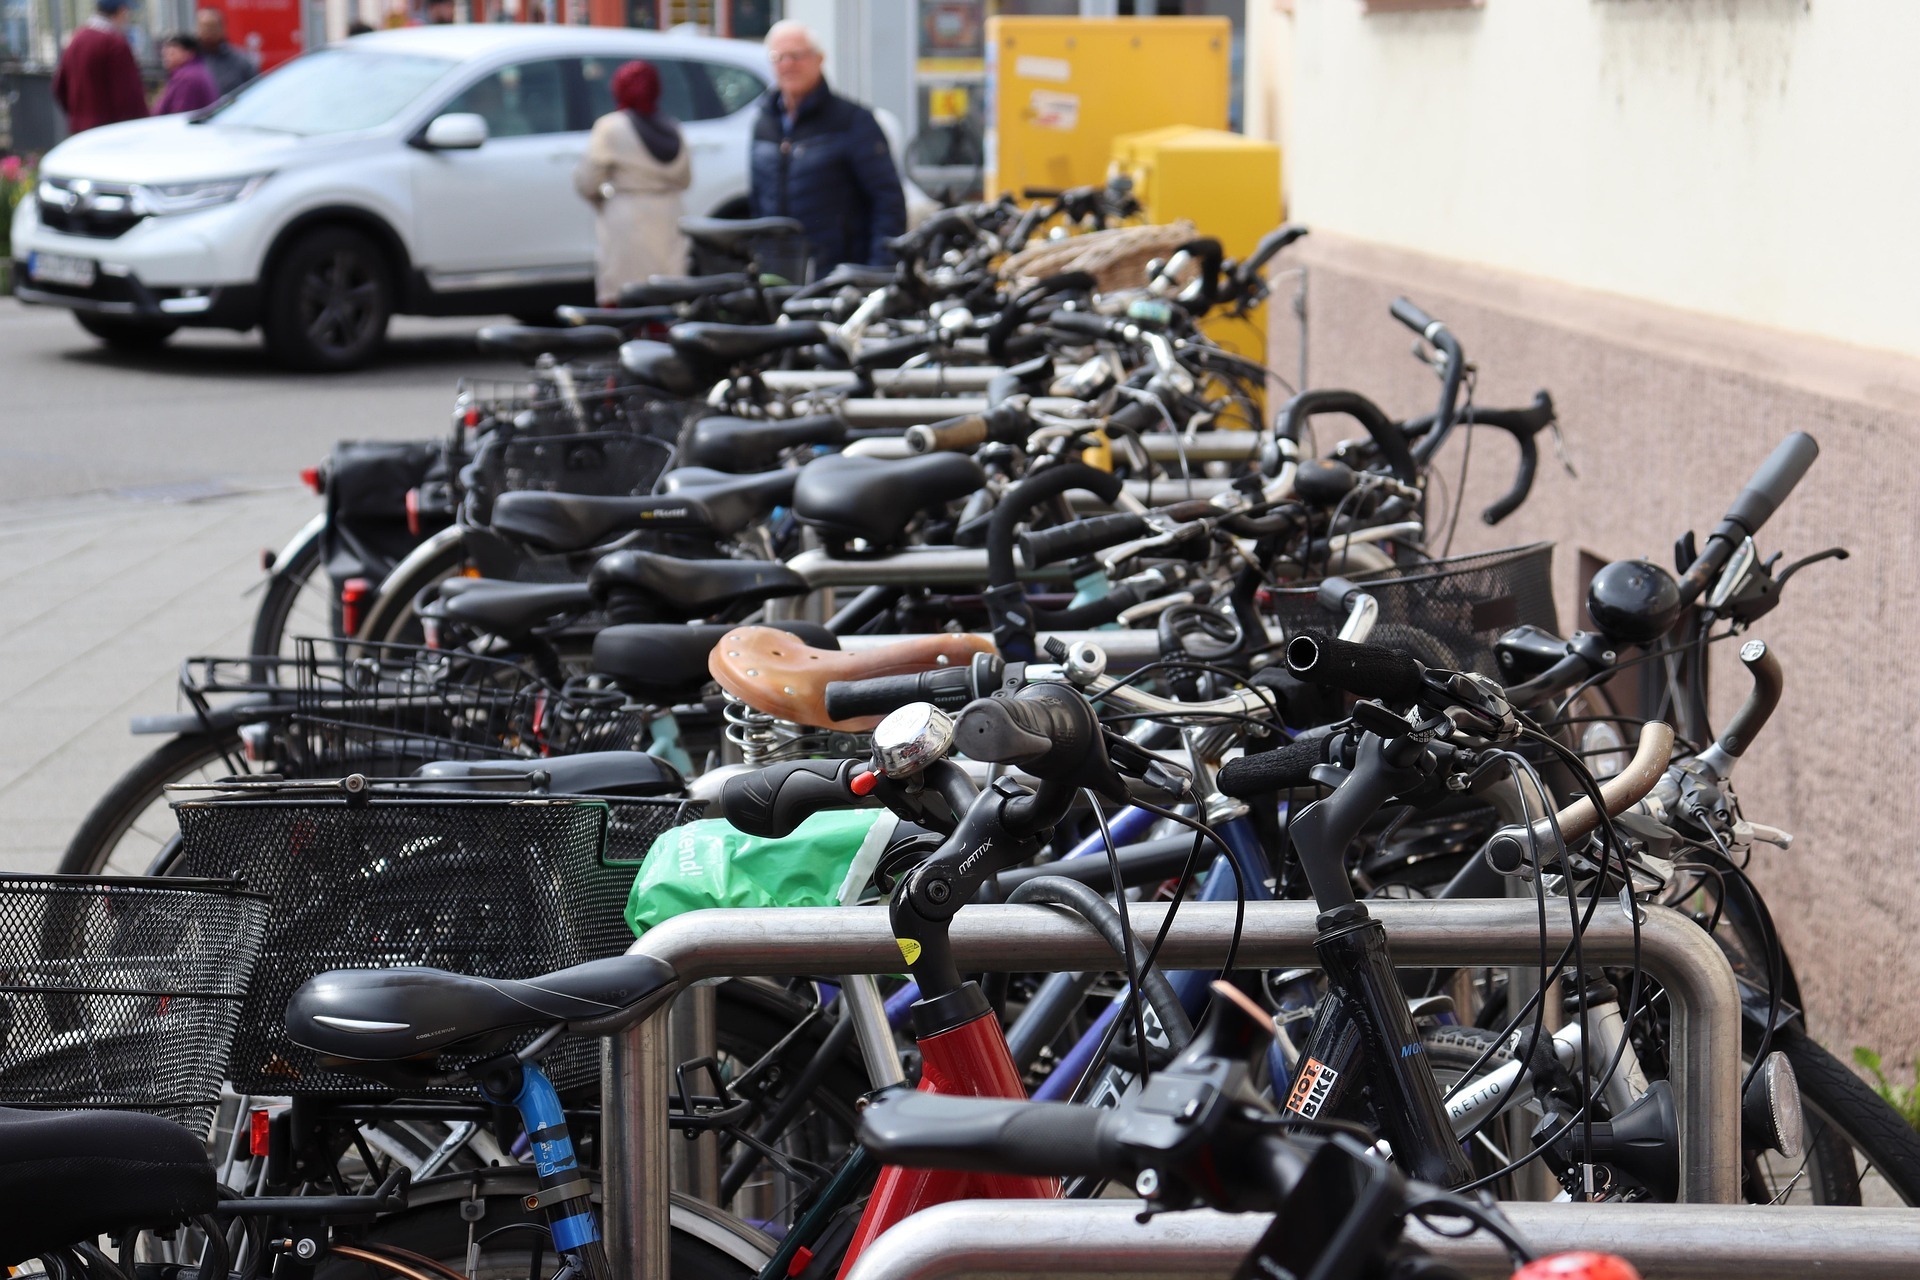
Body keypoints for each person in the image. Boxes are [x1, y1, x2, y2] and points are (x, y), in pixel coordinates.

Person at [749, 20, 904, 276]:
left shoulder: (853, 121)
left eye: (797, 56)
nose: (788, 64)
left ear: (819, 59)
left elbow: (888, 202)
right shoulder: (764, 123)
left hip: (838, 273)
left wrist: (878, 271)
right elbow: (757, 200)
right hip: (778, 273)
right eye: (779, 57)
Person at [573, 60, 691, 307]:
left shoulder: (611, 128)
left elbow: (587, 180)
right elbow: (685, 178)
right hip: (669, 215)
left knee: (624, 297)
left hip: (626, 218)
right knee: (667, 295)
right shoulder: (673, 127)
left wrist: (603, 200)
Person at [51, 0, 147, 134]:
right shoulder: (114, 44)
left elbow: (59, 87)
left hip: (81, 131)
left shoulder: (76, 39)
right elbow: (129, 96)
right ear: (121, 11)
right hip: (112, 133)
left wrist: (78, 115)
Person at [152, 33, 219, 114]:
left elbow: (180, 113)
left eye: (171, 53)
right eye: (165, 54)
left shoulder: (187, 78)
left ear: (189, 53)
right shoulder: (193, 71)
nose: (166, 58)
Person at [194, 9, 255, 97]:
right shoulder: (189, 59)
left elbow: (256, 91)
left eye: (212, 27)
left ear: (222, 28)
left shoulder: (240, 61)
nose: (208, 32)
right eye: (204, 27)